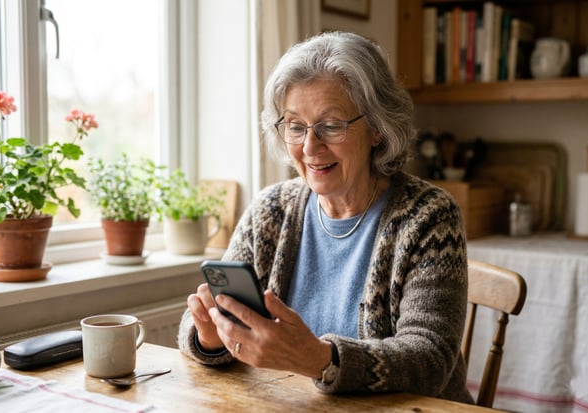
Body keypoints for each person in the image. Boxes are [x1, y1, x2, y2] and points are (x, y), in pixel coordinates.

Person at [178, 31, 473, 403]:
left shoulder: (428, 217)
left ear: (378, 129)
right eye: (295, 126)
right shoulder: (271, 210)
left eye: (331, 125)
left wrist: (322, 360)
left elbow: (430, 359)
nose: (310, 147)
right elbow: (200, 323)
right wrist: (211, 334)